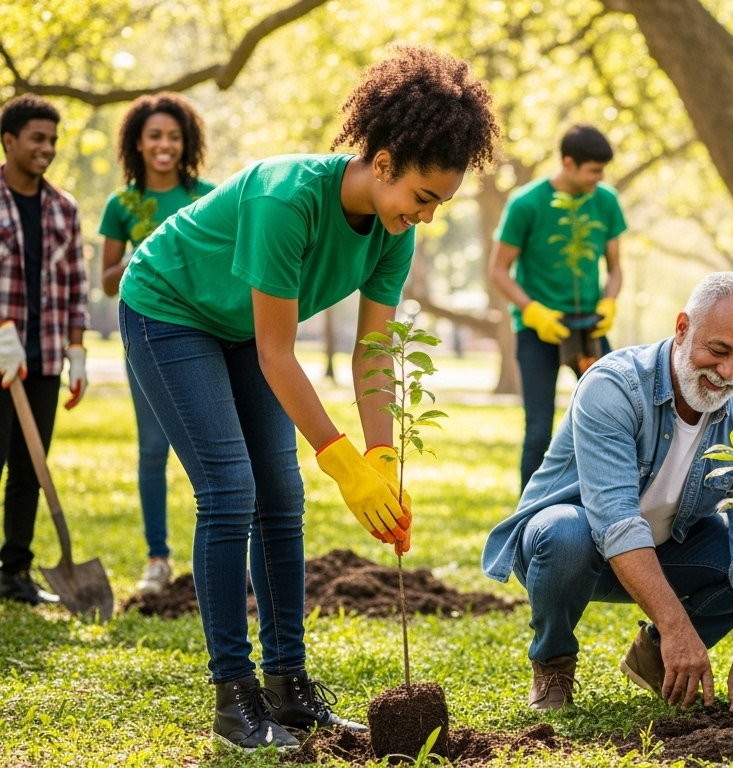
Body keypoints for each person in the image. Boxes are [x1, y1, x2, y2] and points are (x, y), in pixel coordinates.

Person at [118, 47, 499, 751]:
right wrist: (339, 456)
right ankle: (235, 700)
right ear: (382, 163)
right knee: (230, 492)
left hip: (240, 328)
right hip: (170, 307)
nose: (425, 217)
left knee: (282, 496)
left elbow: (372, 356)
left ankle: (288, 690)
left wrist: (380, 457)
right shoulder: (285, 198)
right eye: (422, 198)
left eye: (438, 206)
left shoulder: (393, 234)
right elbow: (276, 353)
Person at [481, 272, 733, 715]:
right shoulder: (614, 386)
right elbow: (615, 522)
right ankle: (553, 662)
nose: (728, 373)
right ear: (682, 328)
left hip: (667, 552)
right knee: (563, 534)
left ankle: (653, 656)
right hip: (576, 549)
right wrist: (677, 625)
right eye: (718, 350)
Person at [98, 92, 216, 595]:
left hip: (208, 333)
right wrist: (138, 259)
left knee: (217, 452)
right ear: (137, 144)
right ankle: (157, 558)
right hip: (147, 333)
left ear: (186, 142)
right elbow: (105, 280)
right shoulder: (122, 205)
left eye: (174, 136)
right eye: (155, 136)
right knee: (153, 447)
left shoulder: (207, 195)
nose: (165, 145)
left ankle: (220, 554)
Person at [489, 124, 626, 490]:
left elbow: (615, 269)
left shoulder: (605, 202)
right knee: (538, 429)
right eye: (594, 171)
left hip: (590, 326)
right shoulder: (526, 203)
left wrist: (609, 302)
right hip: (538, 329)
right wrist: (532, 310)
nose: (599, 179)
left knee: (616, 413)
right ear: (569, 163)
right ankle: (525, 520)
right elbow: (498, 271)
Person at [0, 94, 89, 606]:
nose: (47, 148)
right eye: (38, 138)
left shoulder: (63, 208)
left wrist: (76, 351)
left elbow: (75, 286)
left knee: (30, 468)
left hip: (44, 356)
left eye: (53, 140)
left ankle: (14, 572)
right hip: (1, 357)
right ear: (9, 140)